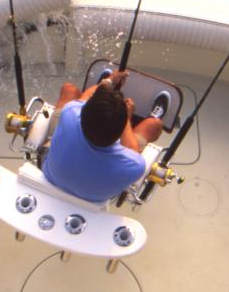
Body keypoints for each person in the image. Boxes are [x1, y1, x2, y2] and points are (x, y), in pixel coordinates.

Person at [42, 70, 167, 202]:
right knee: (154, 125)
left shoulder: (70, 113)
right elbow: (132, 150)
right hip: (92, 199)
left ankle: (103, 92)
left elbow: (84, 97)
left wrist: (108, 81)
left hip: (53, 178)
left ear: (82, 115)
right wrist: (126, 117)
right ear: (120, 133)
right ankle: (153, 116)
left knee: (69, 89)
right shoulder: (135, 164)